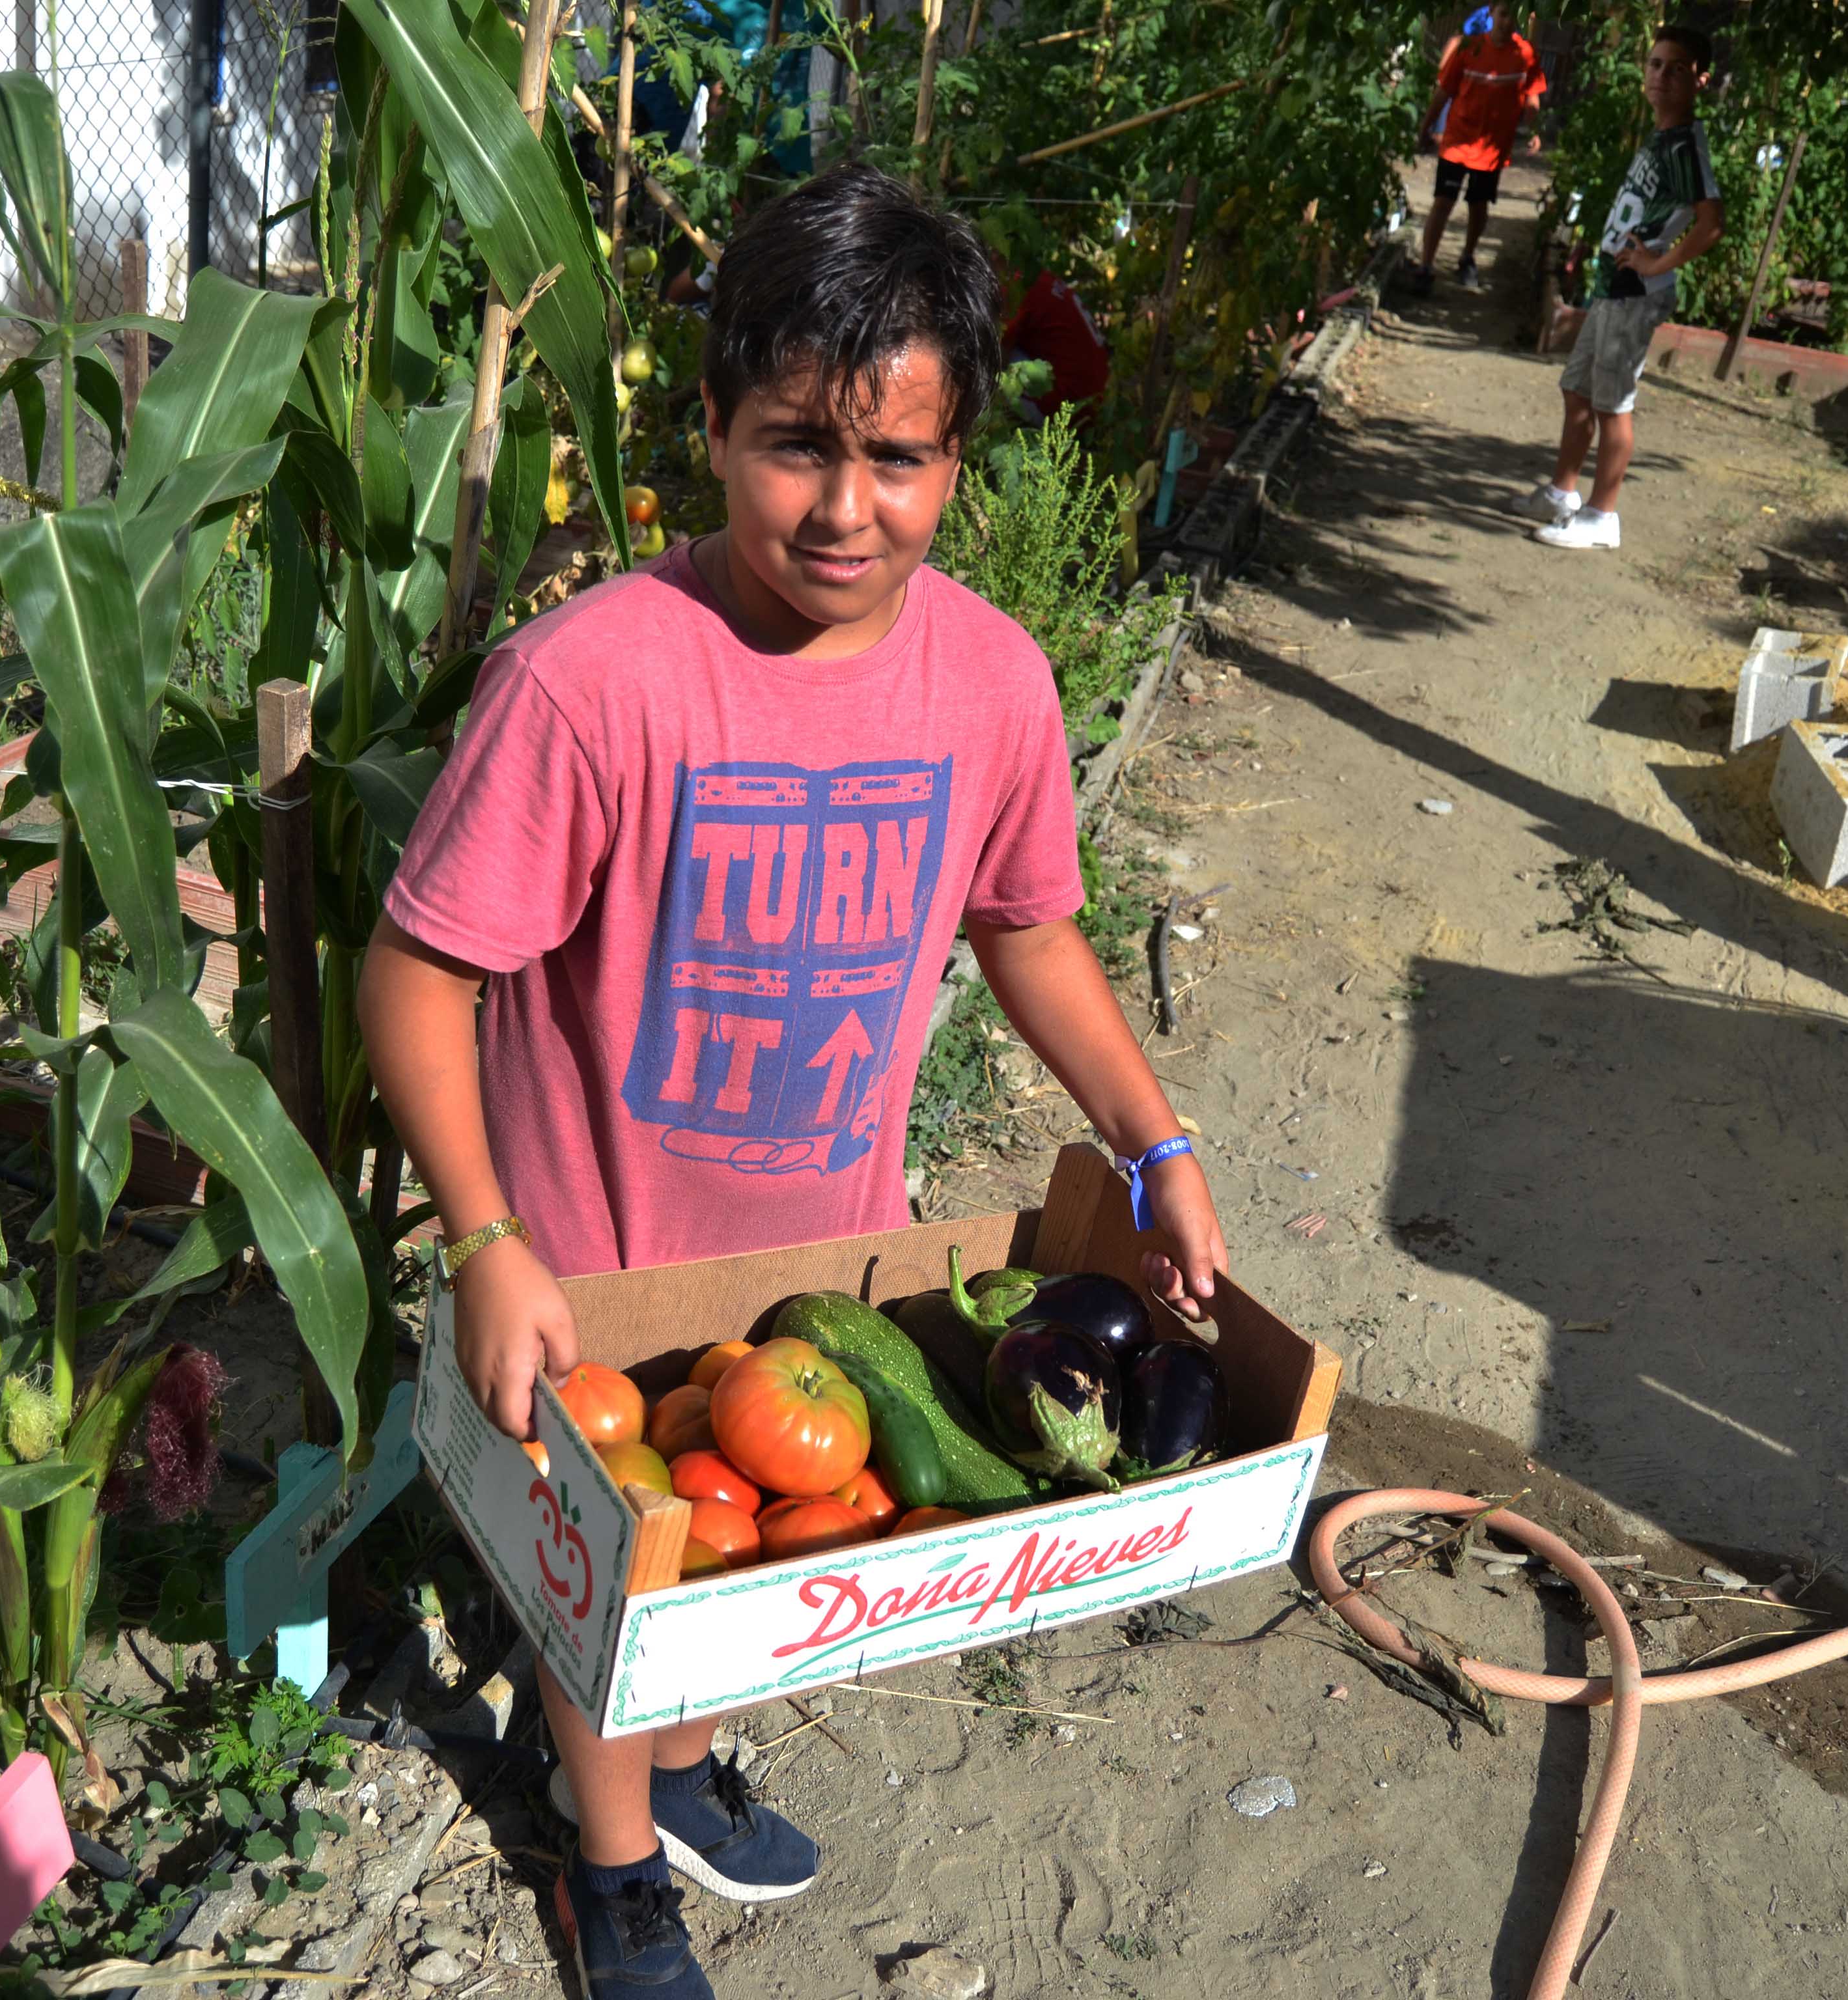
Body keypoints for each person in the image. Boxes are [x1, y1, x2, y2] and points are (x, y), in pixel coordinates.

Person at [357, 163, 1228, 2000]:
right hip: (594, 1270)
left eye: (897, 459)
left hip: (820, 1262)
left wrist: (1154, 1145)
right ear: (711, 430)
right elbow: (420, 972)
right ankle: (612, 1876)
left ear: (960, 456)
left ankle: (679, 1777)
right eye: (793, 447)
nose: (847, 509)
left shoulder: (991, 685)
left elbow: (1033, 930)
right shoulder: (592, 684)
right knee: (619, 1603)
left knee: (754, 1573)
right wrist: (490, 1235)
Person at [1516, 23, 1722, 552]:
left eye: (1678, 69)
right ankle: (1564, 493)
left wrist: (1657, 264)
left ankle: (1603, 515)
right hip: (1613, 282)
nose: (1662, 76)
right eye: (1656, 64)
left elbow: (1710, 224)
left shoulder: (1685, 146)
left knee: (1613, 404)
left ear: (1701, 80)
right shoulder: (1660, 136)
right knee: (1577, 388)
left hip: (1635, 292)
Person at [1411, 8, 1547, 293]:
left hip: (1493, 148)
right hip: (1458, 142)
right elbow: (1443, 92)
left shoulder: (1525, 54)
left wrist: (1535, 132)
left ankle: (1468, 257)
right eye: (1503, 14)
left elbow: (1532, 98)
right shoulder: (1469, 48)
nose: (1507, 21)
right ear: (1492, 14)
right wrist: (1425, 128)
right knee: (1442, 201)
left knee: (1479, 204)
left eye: (1513, 17)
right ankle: (1426, 265)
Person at [1001, 263, 1110, 424]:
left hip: (1073, 403)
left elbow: (994, 352)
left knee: (985, 367)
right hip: (1098, 396)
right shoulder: (1038, 275)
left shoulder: (1015, 286)